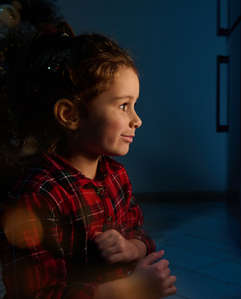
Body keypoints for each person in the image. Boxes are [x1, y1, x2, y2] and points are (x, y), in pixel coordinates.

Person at [0, 3, 176, 298]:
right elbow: (35, 293)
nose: (137, 119)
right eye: (123, 106)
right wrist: (125, 290)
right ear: (70, 115)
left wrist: (130, 246)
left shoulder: (116, 176)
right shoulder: (38, 197)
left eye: (135, 105)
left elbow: (136, 230)